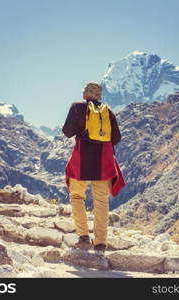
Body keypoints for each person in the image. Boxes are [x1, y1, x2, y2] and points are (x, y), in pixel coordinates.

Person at [62, 82, 126, 252]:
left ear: (85, 94)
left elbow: (67, 131)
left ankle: (83, 237)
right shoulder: (108, 111)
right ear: (99, 95)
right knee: (101, 201)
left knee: (77, 196)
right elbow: (116, 138)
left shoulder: (77, 107)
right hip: (103, 161)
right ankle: (100, 243)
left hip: (81, 159)